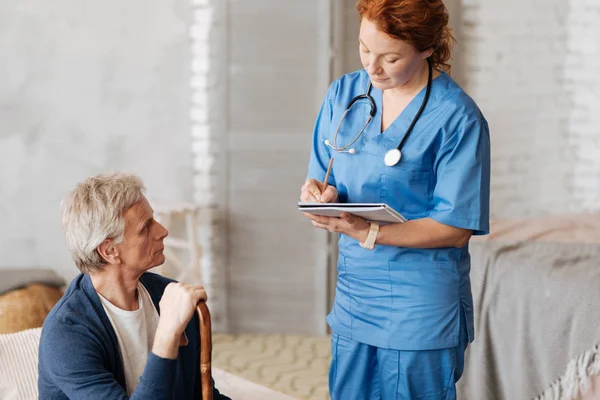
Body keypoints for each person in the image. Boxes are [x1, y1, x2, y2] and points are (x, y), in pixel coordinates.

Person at [301, 0, 490, 399]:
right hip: (356, 291)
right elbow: (323, 173)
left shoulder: (458, 119)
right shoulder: (345, 94)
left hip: (420, 303)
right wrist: (319, 194)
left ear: (426, 49)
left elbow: (455, 227)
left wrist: (369, 231)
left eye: (390, 57)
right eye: (365, 49)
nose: (372, 67)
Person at [38, 173, 230, 400]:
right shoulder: (66, 334)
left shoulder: (168, 296)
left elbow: (198, 393)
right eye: (146, 227)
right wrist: (168, 332)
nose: (163, 231)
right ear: (109, 250)